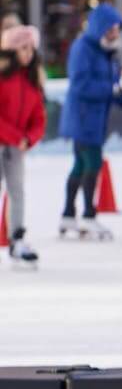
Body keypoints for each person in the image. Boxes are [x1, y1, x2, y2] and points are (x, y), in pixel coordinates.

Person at [58, 2, 122, 241]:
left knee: (80, 164)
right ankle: (88, 214)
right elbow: (81, 85)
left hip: (94, 117)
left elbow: (113, 84)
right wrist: (111, 91)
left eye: (117, 30)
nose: (115, 34)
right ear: (100, 29)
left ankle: (68, 214)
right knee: (92, 163)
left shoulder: (106, 52)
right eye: (111, 30)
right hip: (83, 116)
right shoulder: (83, 49)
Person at [0, 25, 46, 266]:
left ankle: (17, 239)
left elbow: (39, 116)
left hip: (16, 147)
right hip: (4, 142)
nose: (28, 53)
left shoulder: (32, 81)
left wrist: (30, 137)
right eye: (23, 48)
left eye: (31, 48)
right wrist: (14, 136)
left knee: (17, 192)